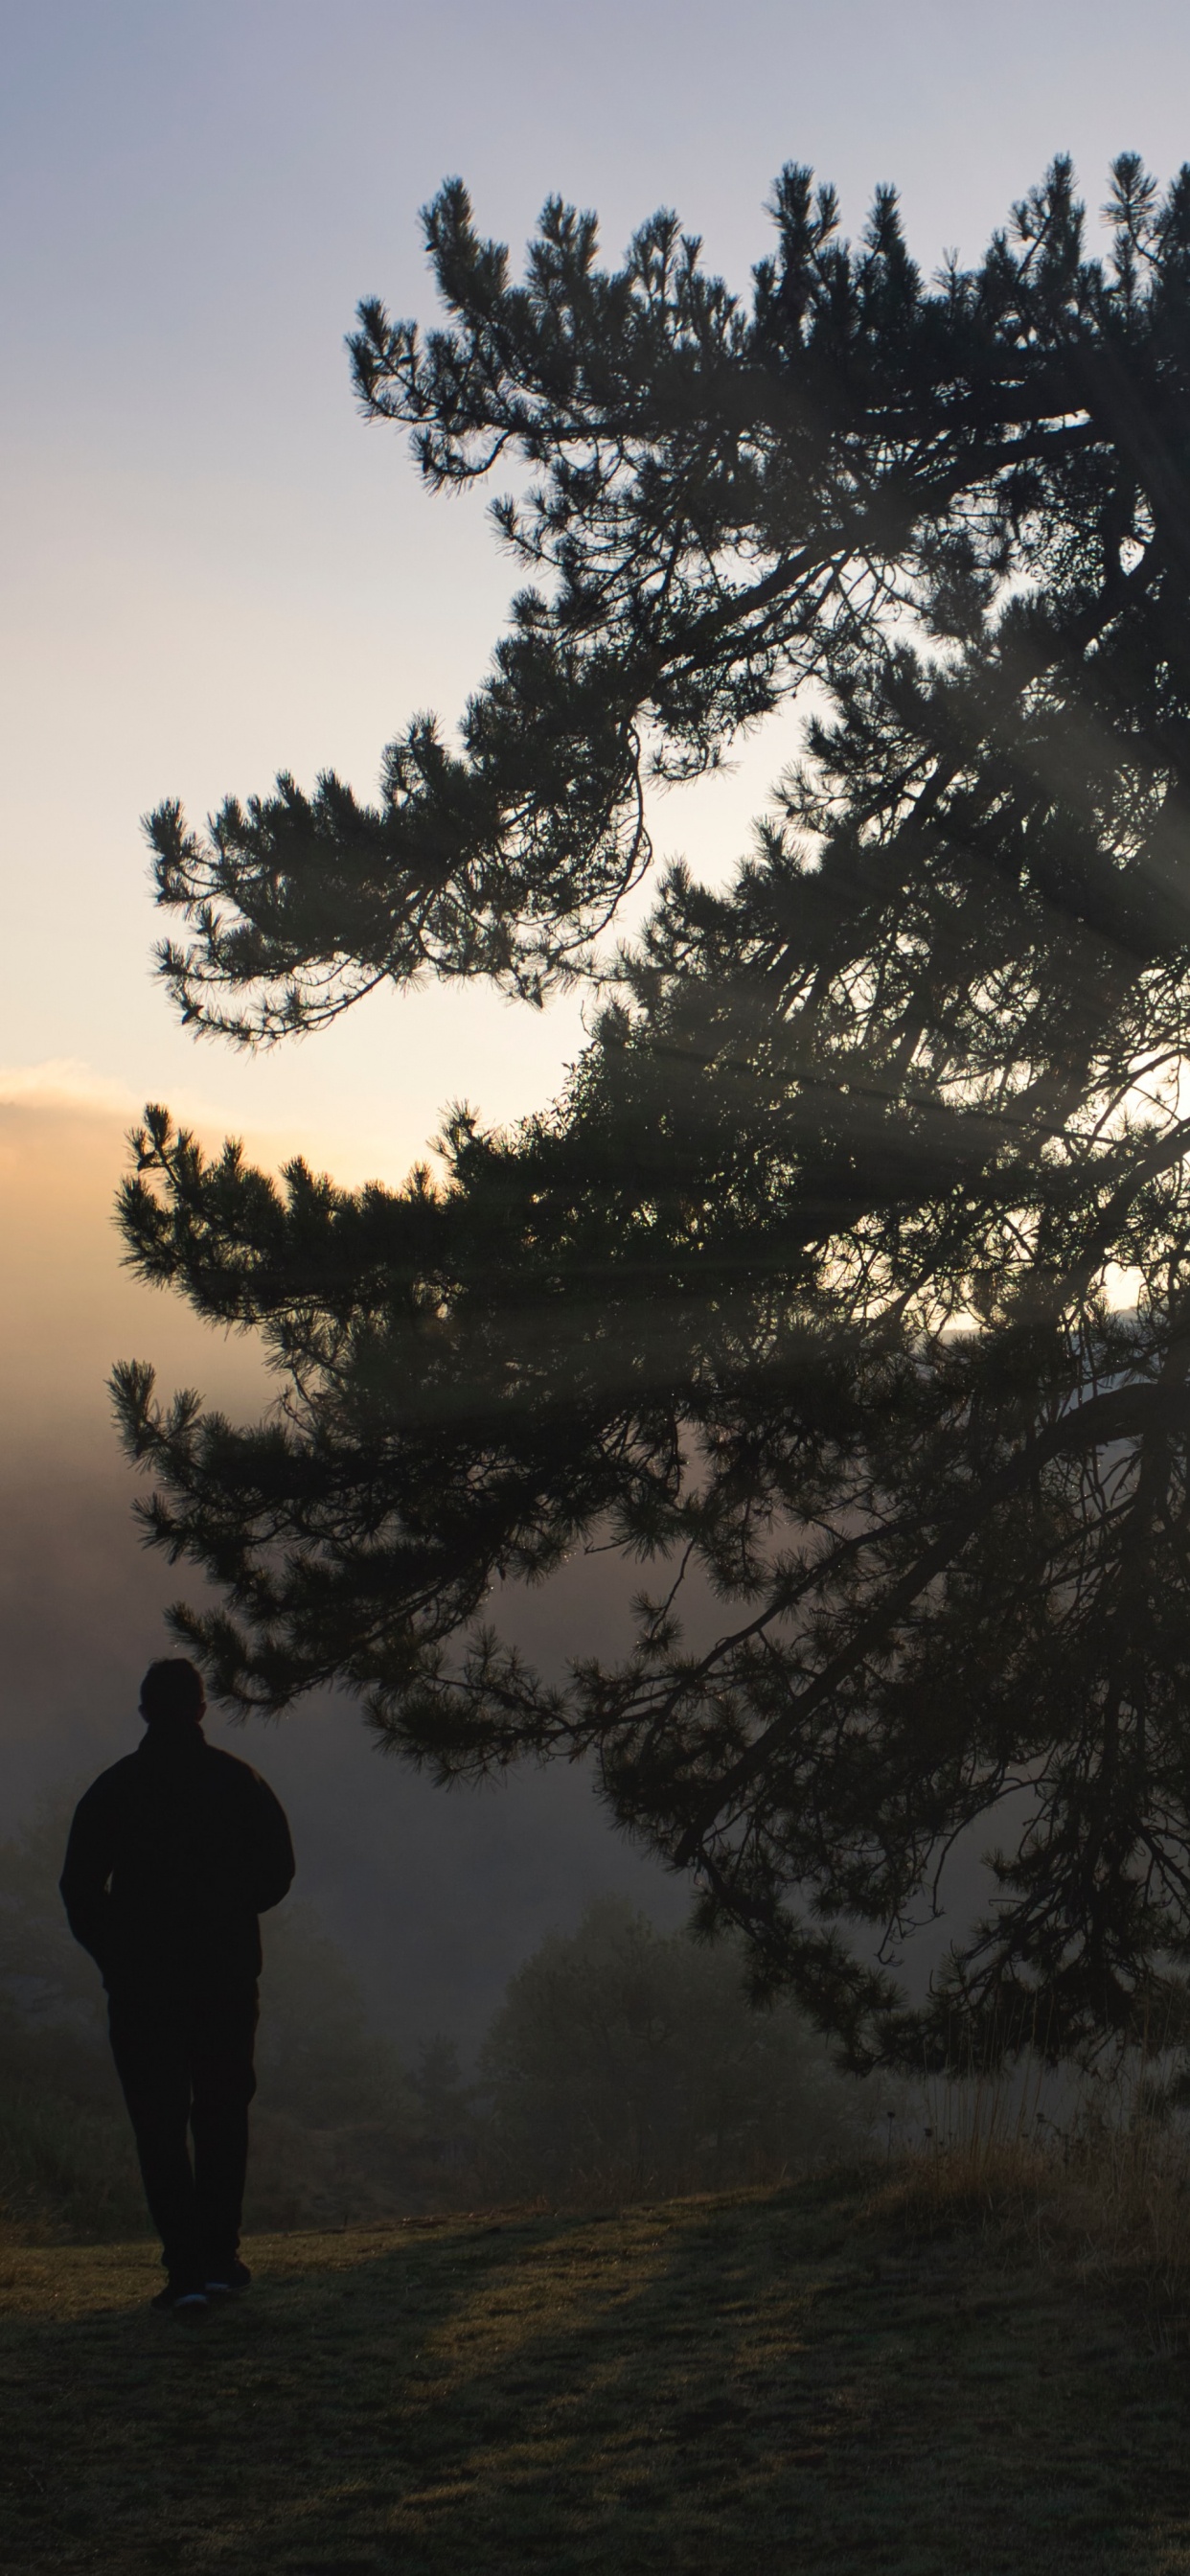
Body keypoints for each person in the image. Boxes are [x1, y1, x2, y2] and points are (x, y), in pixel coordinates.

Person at [59, 1658, 295, 2317]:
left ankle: (186, 2269)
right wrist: (228, 1916)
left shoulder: (116, 1789)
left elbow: (79, 1890)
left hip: (143, 1990)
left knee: (158, 2126)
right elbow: (278, 1870)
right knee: (222, 2114)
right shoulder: (237, 1782)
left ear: (144, 1712)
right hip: (223, 1979)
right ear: (199, 1709)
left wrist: (117, 1953)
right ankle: (221, 2257)